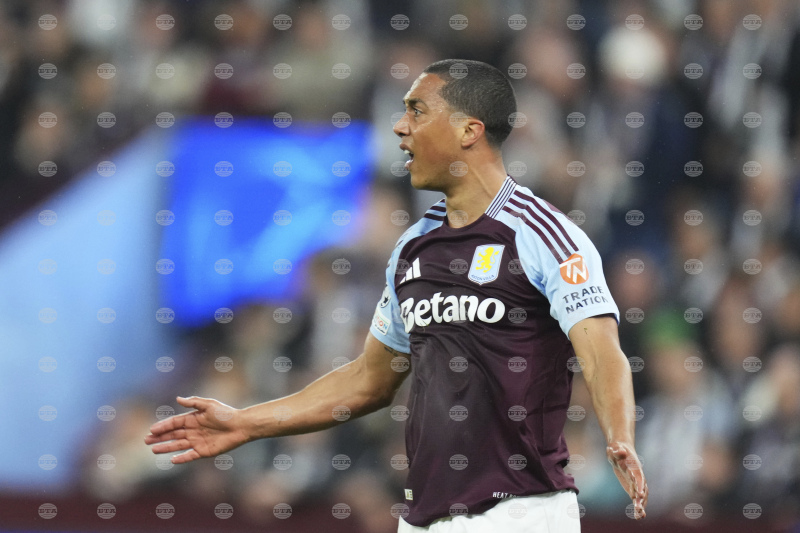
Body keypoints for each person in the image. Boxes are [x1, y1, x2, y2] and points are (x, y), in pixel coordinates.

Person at [145, 59, 648, 532]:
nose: (399, 127)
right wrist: (246, 423)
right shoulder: (413, 248)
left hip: (519, 513)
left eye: (417, 111)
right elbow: (369, 380)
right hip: (424, 516)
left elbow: (601, 352)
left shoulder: (543, 234)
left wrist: (619, 435)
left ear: (469, 131)